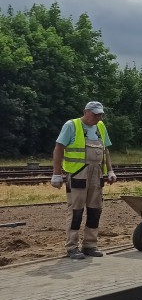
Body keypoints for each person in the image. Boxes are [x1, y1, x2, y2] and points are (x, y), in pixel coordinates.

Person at [51, 101, 117, 259]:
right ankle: (72, 247)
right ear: (86, 112)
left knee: (95, 210)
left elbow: (105, 151)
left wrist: (110, 171)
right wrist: (56, 173)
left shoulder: (101, 127)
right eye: (95, 114)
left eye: (100, 114)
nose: (98, 117)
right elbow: (58, 148)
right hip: (77, 175)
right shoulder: (71, 125)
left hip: (96, 175)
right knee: (76, 212)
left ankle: (90, 245)